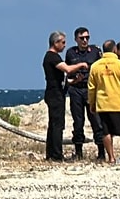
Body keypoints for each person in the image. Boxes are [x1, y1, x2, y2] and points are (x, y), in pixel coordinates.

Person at [88, 39, 120, 164]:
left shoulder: (95, 66)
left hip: (103, 103)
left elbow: (91, 87)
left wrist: (92, 102)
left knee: (106, 131)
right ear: (115, 49)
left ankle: (111, 157)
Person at [42, 31, 88, 161]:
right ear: (55, 43)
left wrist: (75, 81)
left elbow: (61, 79)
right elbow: (67, 69)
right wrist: (81, 64)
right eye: (62, 42)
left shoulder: (53, 57)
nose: (64, 45)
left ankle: (51, 153)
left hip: (57, 93)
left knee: (54, 124)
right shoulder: (52, 56)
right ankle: (56, 154)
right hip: (54, 95)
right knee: (57, 125)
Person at [64, 27, 105, 160]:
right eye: (82, 38)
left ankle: (101, 152)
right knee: (78, 121)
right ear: (76, 39)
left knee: (96, 121)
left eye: (87, 37)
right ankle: (79, 152)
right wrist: (75, 79)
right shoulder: (71, 53)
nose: (85, 40)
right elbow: (68, 72)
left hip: (91, 89)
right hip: (76, 89)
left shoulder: (95, 51)